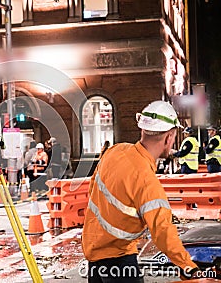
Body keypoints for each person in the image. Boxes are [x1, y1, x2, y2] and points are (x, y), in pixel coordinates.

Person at [82, 100, 199, 282]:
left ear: (142, 130)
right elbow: (163, 232)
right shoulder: (146, 181)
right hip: (119, 261)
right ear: (169, 138)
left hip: (93, 257)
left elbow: (93, 190)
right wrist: (189, 268)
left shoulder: (114, 151)